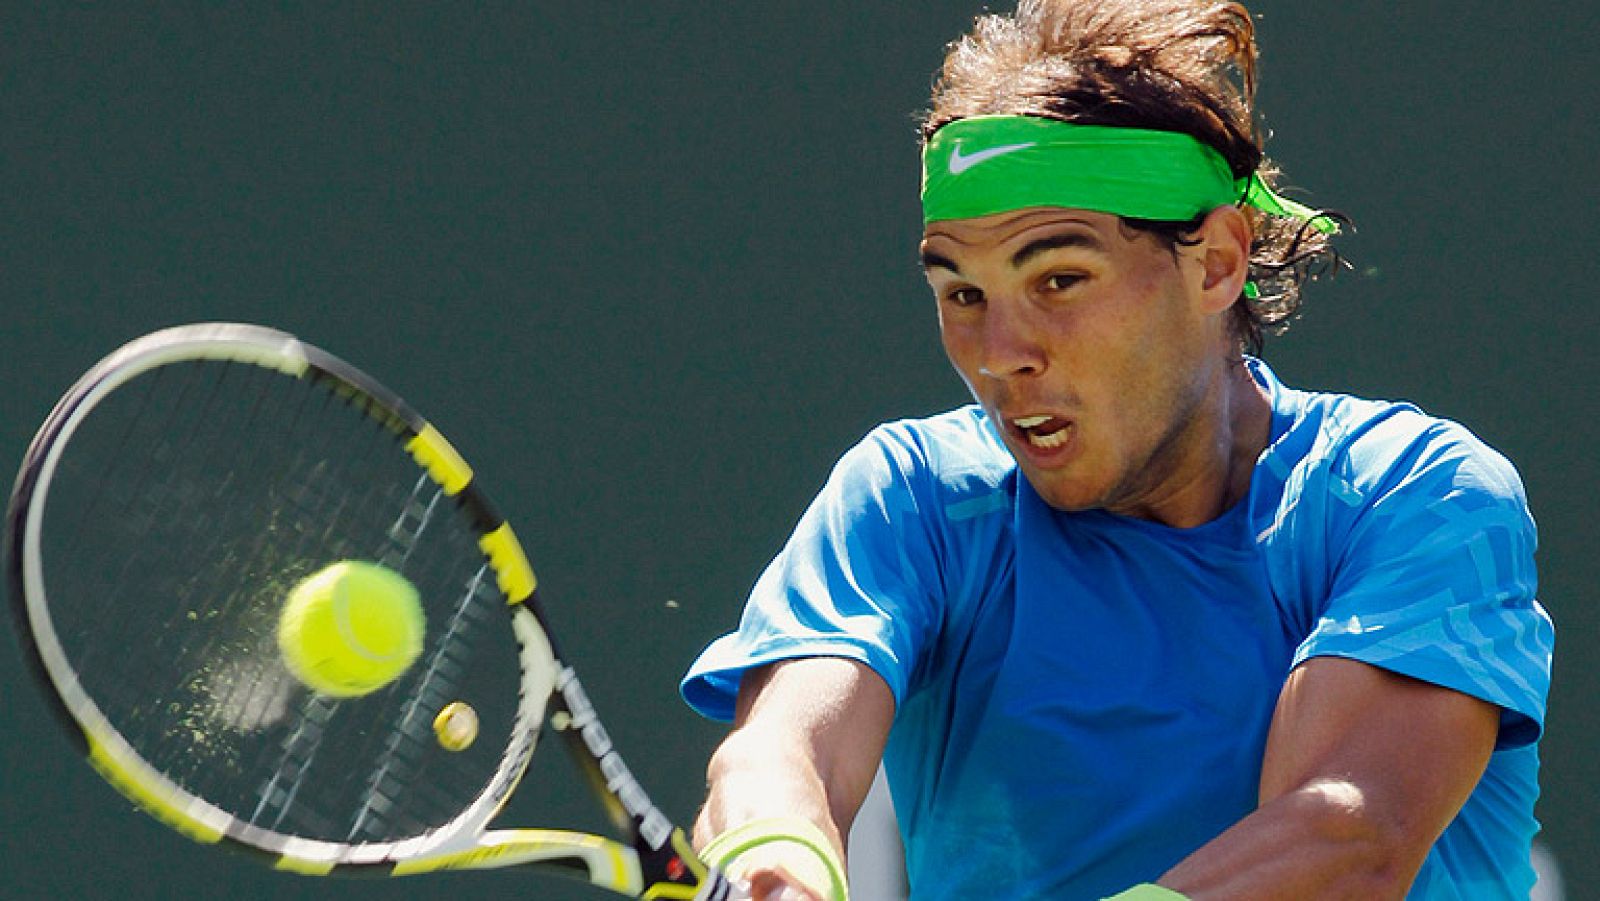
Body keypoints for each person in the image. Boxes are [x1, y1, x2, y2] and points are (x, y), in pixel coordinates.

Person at [679, 1, 1555, 898]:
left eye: (1060, 279)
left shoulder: (1413, 494)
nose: (999, 353)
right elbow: (781, 754)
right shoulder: (915, 500)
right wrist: (777, 861)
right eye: (964, 293)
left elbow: (1345, 835)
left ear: (1215, 262)